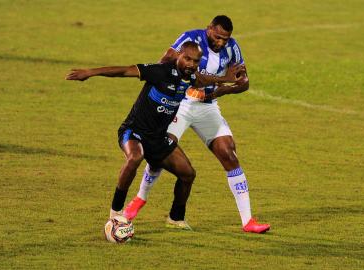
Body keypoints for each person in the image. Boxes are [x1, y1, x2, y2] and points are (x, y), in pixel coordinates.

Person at [66, 41, 243, 229]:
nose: (191, 64)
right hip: (134, 131)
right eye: (187, 59)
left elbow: (201, 80)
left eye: (195, 61)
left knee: (187, 174)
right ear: (179, 56)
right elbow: (124, 70)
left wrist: (224, 79)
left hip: (158, 138)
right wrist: (90, 72)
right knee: (135, 157)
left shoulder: (190, 77)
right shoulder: (160, 71)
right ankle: (116, 213)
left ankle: (176, 219)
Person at [124, 15, 271, 233]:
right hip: (180, 104)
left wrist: (225, 89)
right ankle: (138, 199)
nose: (221, 42)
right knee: (161, 152)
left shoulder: (232, 48)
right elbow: (164, 62)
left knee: (229, 154)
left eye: (225, 38)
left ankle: (248, 221)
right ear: (209, 29)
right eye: (218, 36)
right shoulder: (190, 38)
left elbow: (244, 82)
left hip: (208, 106)